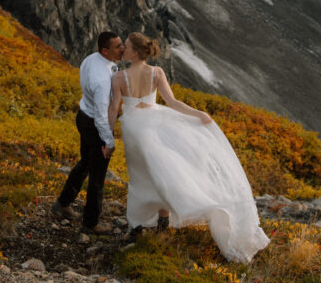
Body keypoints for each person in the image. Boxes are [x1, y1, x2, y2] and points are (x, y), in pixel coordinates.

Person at [108, 32, 270, 263]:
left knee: (141, 177)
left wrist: (107, 136)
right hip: (155, 123)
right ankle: (162, 220)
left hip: (135, 129)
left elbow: (114, 108)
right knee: (161, 171)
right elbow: (173, 102)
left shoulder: (118, 78)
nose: (122, 49)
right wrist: (198, 114)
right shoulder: (157, 72)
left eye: (125, 46)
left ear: (134, 51)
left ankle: (137, 226)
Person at [52, 30, 125, 233]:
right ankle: (90, 224)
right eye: (118, 46)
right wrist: (108, 142)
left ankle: (63, 204)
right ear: (105, 50)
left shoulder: (92, 59)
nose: (123, 49)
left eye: (122, 43)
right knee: (98, 175)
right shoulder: (102, 81)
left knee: (85, 163)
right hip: (94, 124)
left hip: (83, 116)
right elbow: (102, 116)